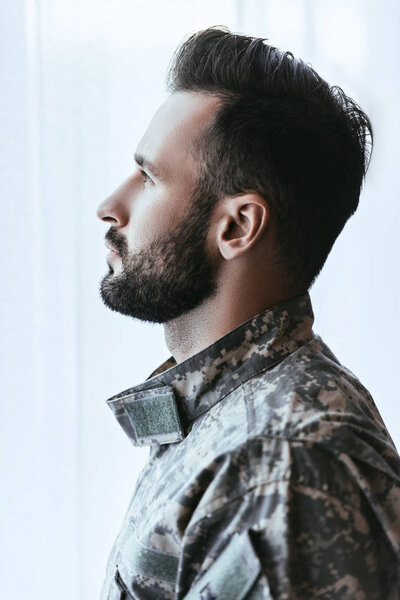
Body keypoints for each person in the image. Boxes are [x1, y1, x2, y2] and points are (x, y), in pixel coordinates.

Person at [96, 26, 400, 600]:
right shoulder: (226, 426)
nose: (111, 206)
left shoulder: (287, 460)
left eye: (149, 176)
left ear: (237, 226)